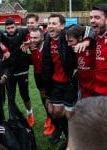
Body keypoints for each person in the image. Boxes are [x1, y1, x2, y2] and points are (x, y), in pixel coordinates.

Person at [42, 14, 78, 148]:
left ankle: (71, 141)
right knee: (55, 111)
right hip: (55, 82)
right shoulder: (47, 38)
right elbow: (47, 64)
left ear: (62, 26)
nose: (50, 26)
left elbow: (84, 30)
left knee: (69, 115)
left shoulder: (67, 37)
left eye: (54, 23)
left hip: (69, 82)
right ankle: (61, 132)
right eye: (49, 23)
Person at [0, 18, 35, 127]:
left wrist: (29, 40)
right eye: (8, 28)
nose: (10, 30)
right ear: (5, 28)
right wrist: (4, 49)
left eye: (12, 27)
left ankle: (30, 113)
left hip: (22, 69)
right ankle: (12, 116)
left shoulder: (23, 32)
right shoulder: (2, 34)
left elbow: (33, 33)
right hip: (9, 70)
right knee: (11, 95)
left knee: (25, 94)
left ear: (16, 26)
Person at [29, 28, 55, 135]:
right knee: (43, 98)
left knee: (51, 100)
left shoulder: (47, 47)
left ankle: (54, 124)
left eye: (36, 37)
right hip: (38, 76)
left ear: (42, 37)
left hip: (49, 77)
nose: (33, 40)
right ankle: (49, 118)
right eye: (31, 37)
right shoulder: (32, 47)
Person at [66, 24, 96, 98]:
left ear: (80, 38)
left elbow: (91, 29)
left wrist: (87, 41)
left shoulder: (92, 45)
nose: (68, 44)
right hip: (82, 87)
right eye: (67, 41)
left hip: (94, 89)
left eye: (70, 41)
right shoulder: (75, 48)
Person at [89, 3, 107, 96]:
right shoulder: (95, 37)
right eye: (91, 17)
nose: (92, 20)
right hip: (96, 90)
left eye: (97, 17)